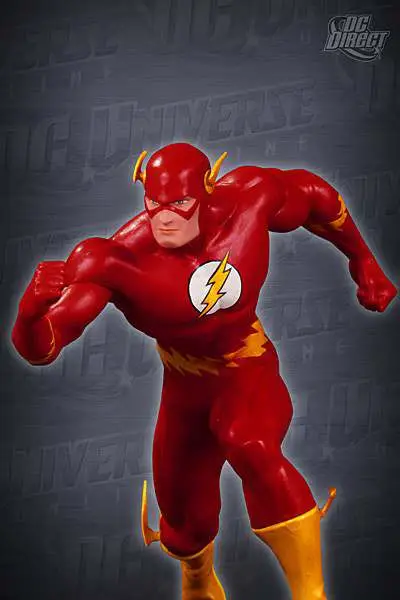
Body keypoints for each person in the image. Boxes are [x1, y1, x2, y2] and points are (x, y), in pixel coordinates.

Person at [11, 143, 397, 599]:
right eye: (154, 203)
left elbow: (315, 198)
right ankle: (199, 586)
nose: (165, 218)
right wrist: (29, 316)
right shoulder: (116, 261)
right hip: (185, 389)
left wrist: (363, 259)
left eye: (179, 203)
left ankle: (311, 593)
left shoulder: (248, 200)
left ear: (207, 189)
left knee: (248, 442)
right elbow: (45, 347)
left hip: (246, 365)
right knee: (183, 522)